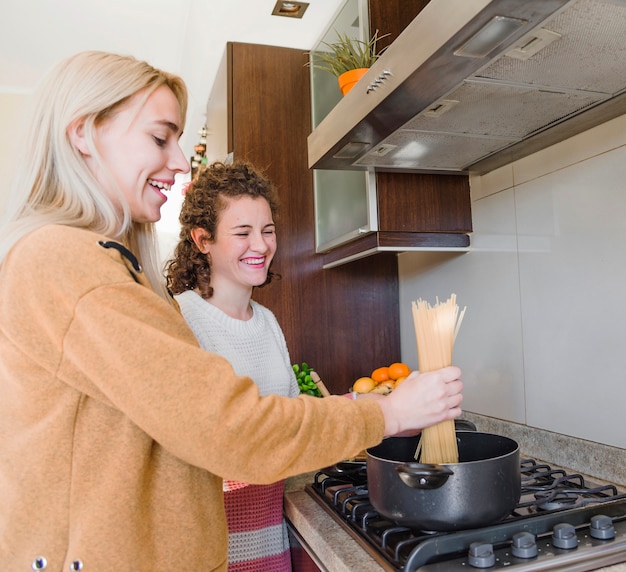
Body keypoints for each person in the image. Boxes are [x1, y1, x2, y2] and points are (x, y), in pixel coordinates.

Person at [0, 50, 464, 571]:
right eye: (160, 137)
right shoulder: (64, 261)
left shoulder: (99, 265)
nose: (179, 162)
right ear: (83, 134)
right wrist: (390, 412)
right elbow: (227, 425)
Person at [166, 160, 300, 571]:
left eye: (268, 230)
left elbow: (294, 419)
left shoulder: (268, 322)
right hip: (214, 555)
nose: (260, 245)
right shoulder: (180, 321)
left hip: (270, 545)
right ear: (202, 239)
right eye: (242, 233)